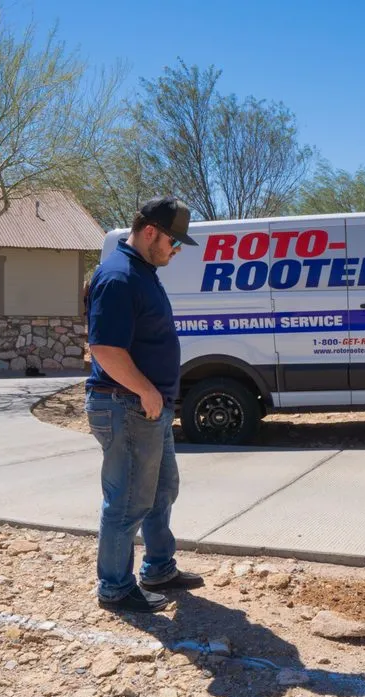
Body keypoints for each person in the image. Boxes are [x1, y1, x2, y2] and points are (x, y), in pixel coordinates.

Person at [84, 196, 204, 613]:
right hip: (128, 406)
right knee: (129, 500)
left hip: (147, 408)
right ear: (151, 231)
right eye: (174, 241)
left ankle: (158, 568)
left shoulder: (142, 272)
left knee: (161, 490)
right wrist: (147, 390)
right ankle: (115, 587)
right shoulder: (118, 276)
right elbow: (104, 348)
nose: (177, 250)